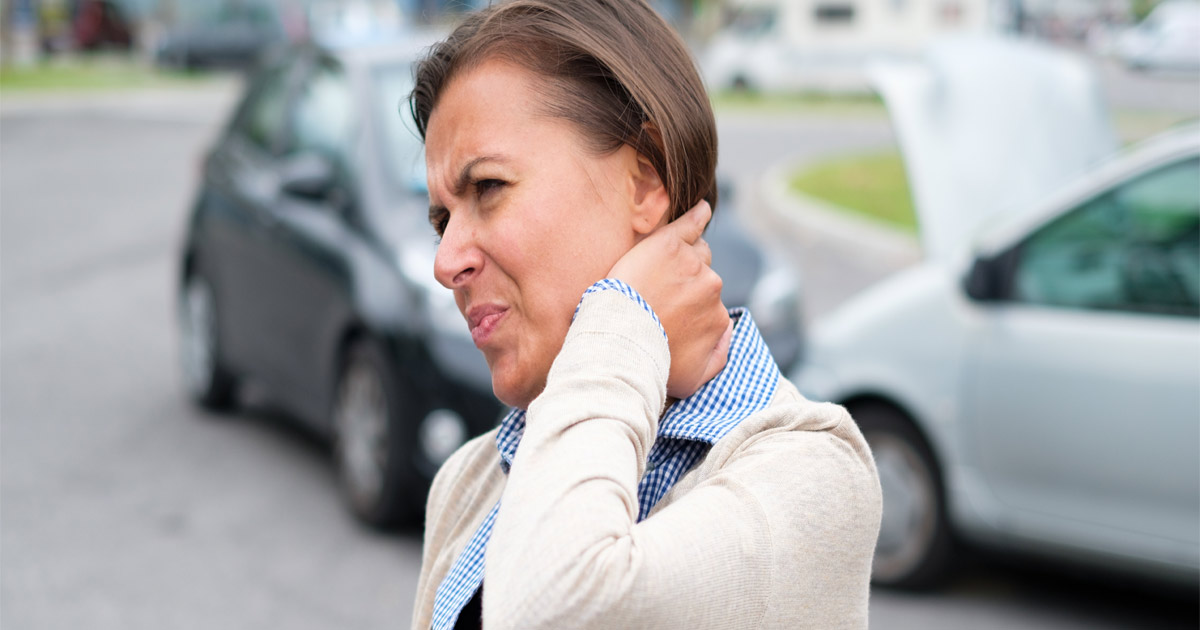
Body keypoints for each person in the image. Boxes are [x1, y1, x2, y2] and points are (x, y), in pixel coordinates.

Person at [407, 1, 882, 628]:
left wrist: (625, 320)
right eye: (441, 220)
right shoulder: (469, 481)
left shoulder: (810, 477)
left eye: (488, 188)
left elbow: (558, 605)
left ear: (645, 183)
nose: (446, 261)